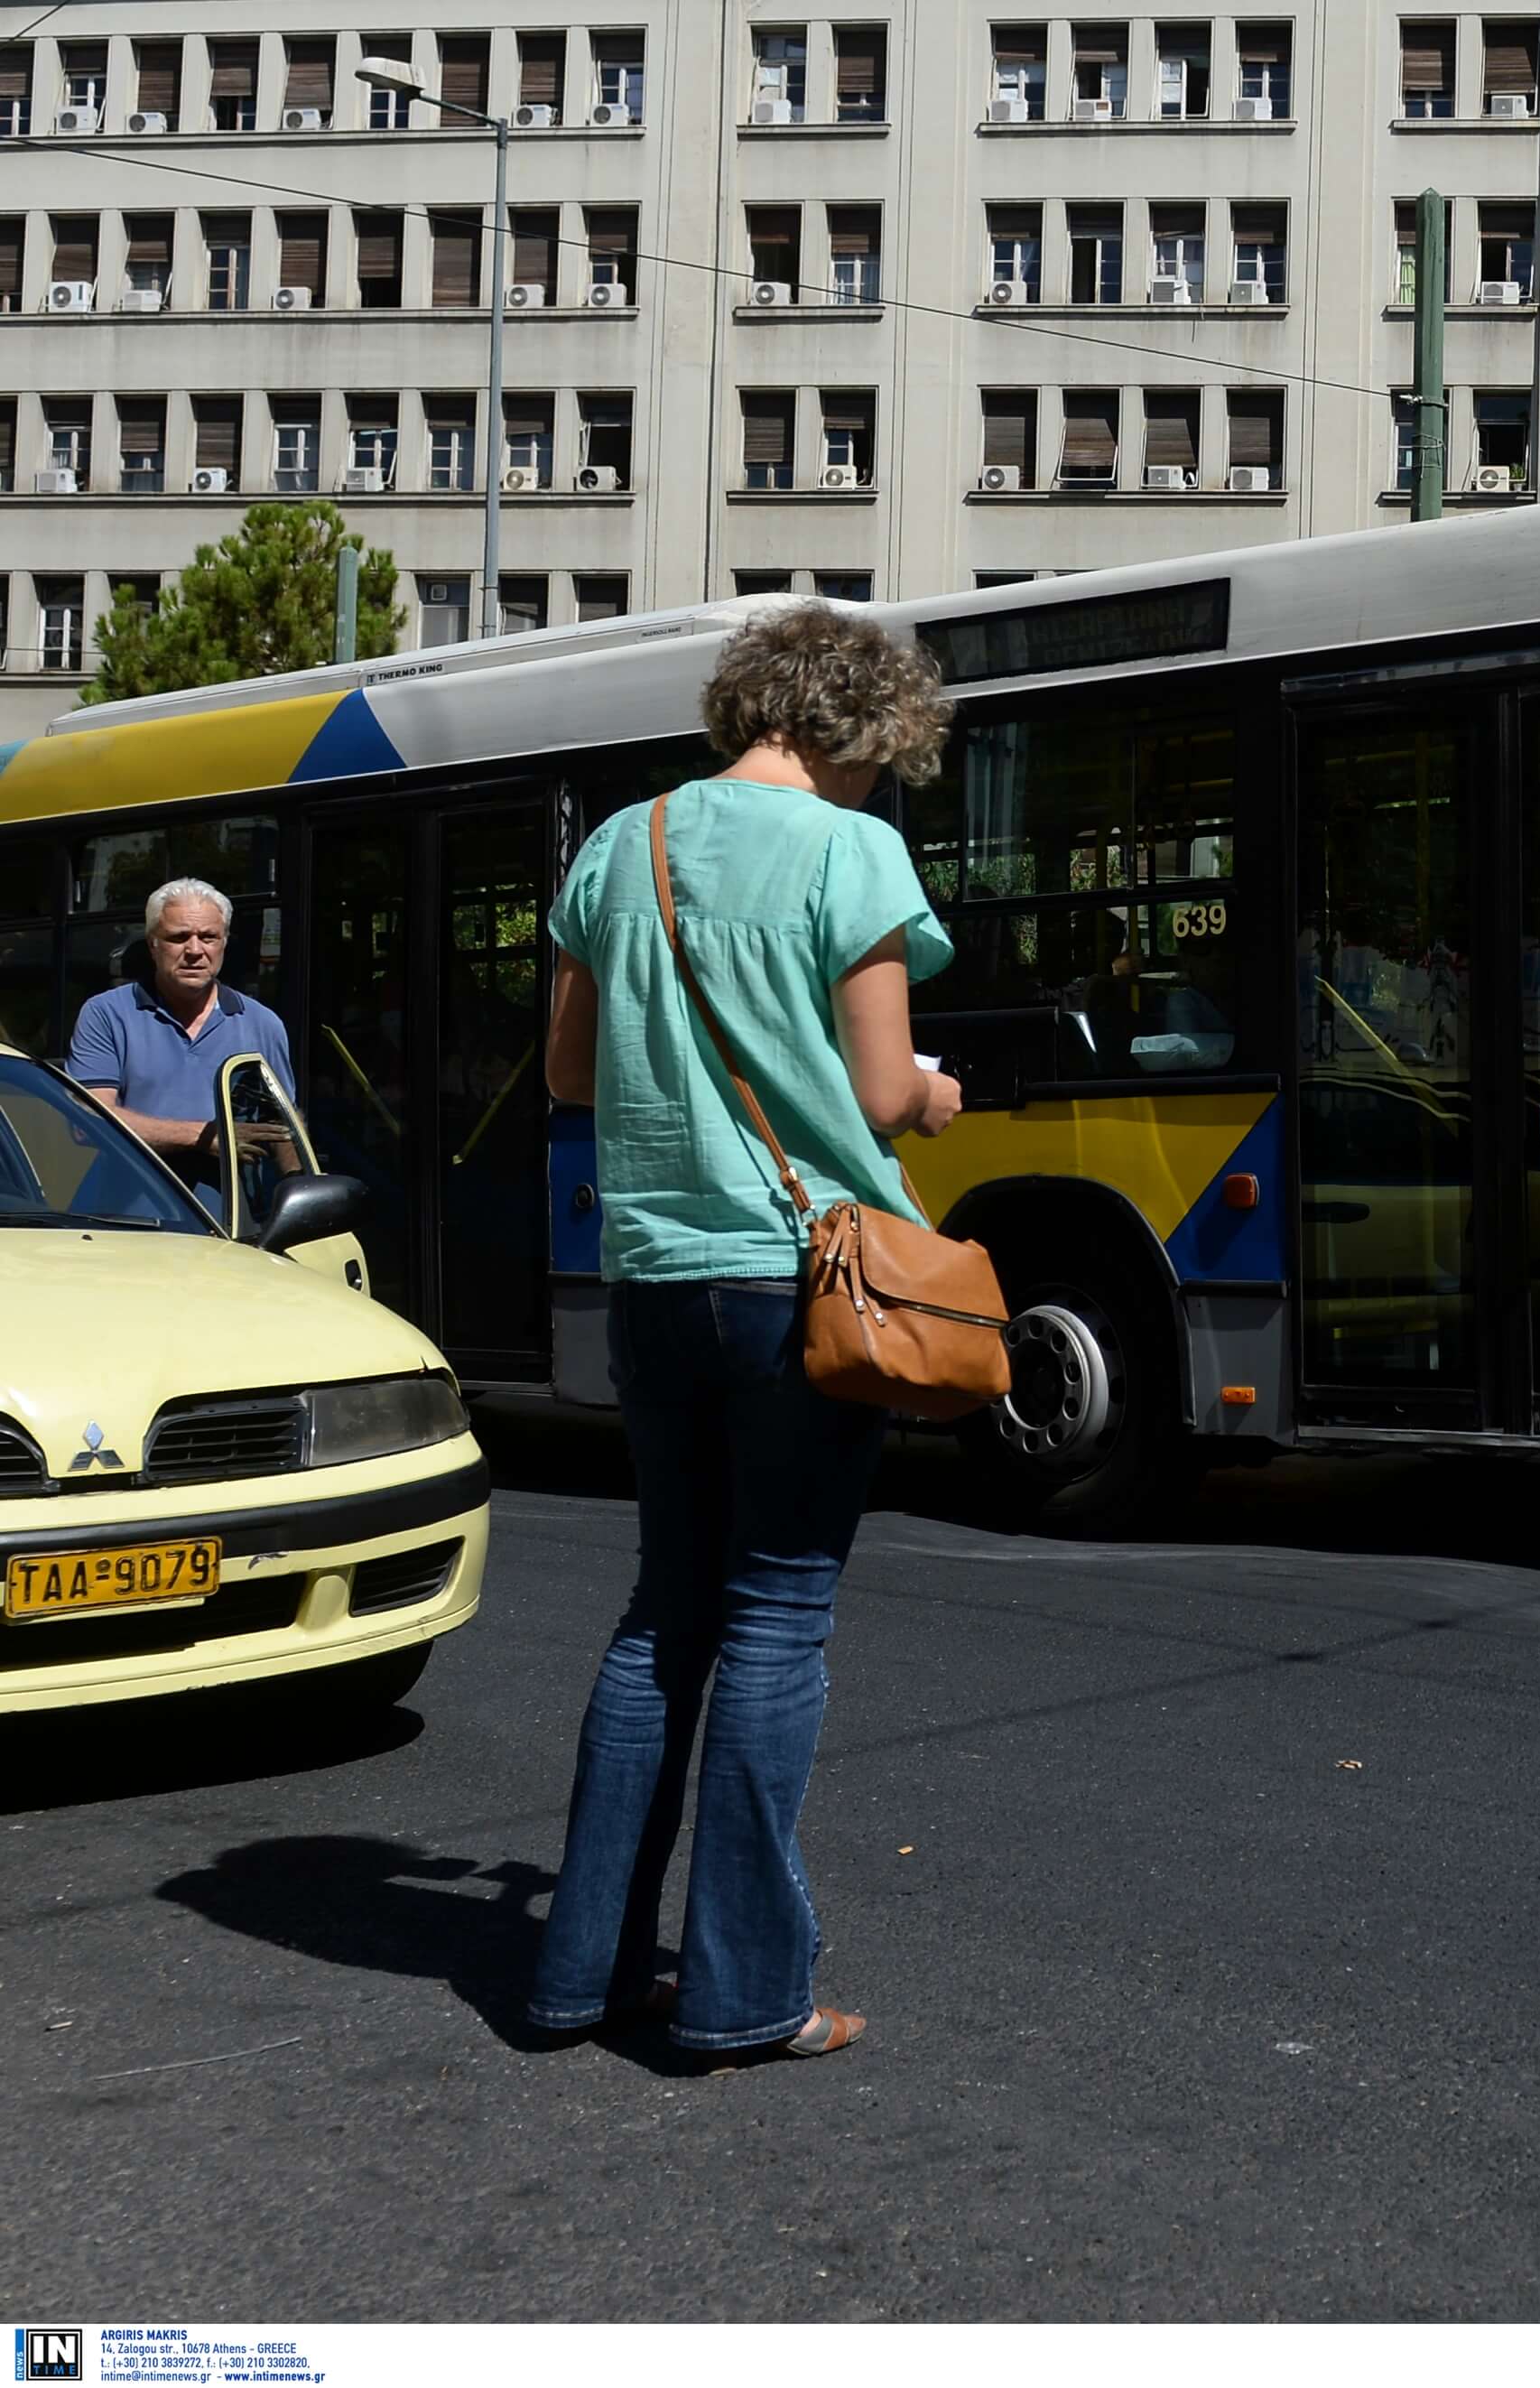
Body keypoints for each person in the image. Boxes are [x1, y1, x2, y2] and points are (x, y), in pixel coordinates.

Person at [524, 605, 962, 2063]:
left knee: (667, 1611)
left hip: (650, 1279)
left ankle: (578, 1973)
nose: (877, 781)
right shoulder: (852, 853)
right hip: (803, 1280)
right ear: (858, 727)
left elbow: (571, 1072)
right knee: (778, 1614)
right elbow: (883, 1088)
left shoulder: (618, 846)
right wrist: (933, 1098)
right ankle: (741, 1995)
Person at [68, 878, 298, 1215]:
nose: (194, 950)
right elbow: (88, 1122)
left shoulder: (263, 1024)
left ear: (223, 944)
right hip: (125, 1225)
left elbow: (283, 1124)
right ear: (153, 945)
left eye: (208, 937)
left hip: (232, 1230)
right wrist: (204, 1136)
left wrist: (300, 1186)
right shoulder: (106, 1014)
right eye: (178, 937)